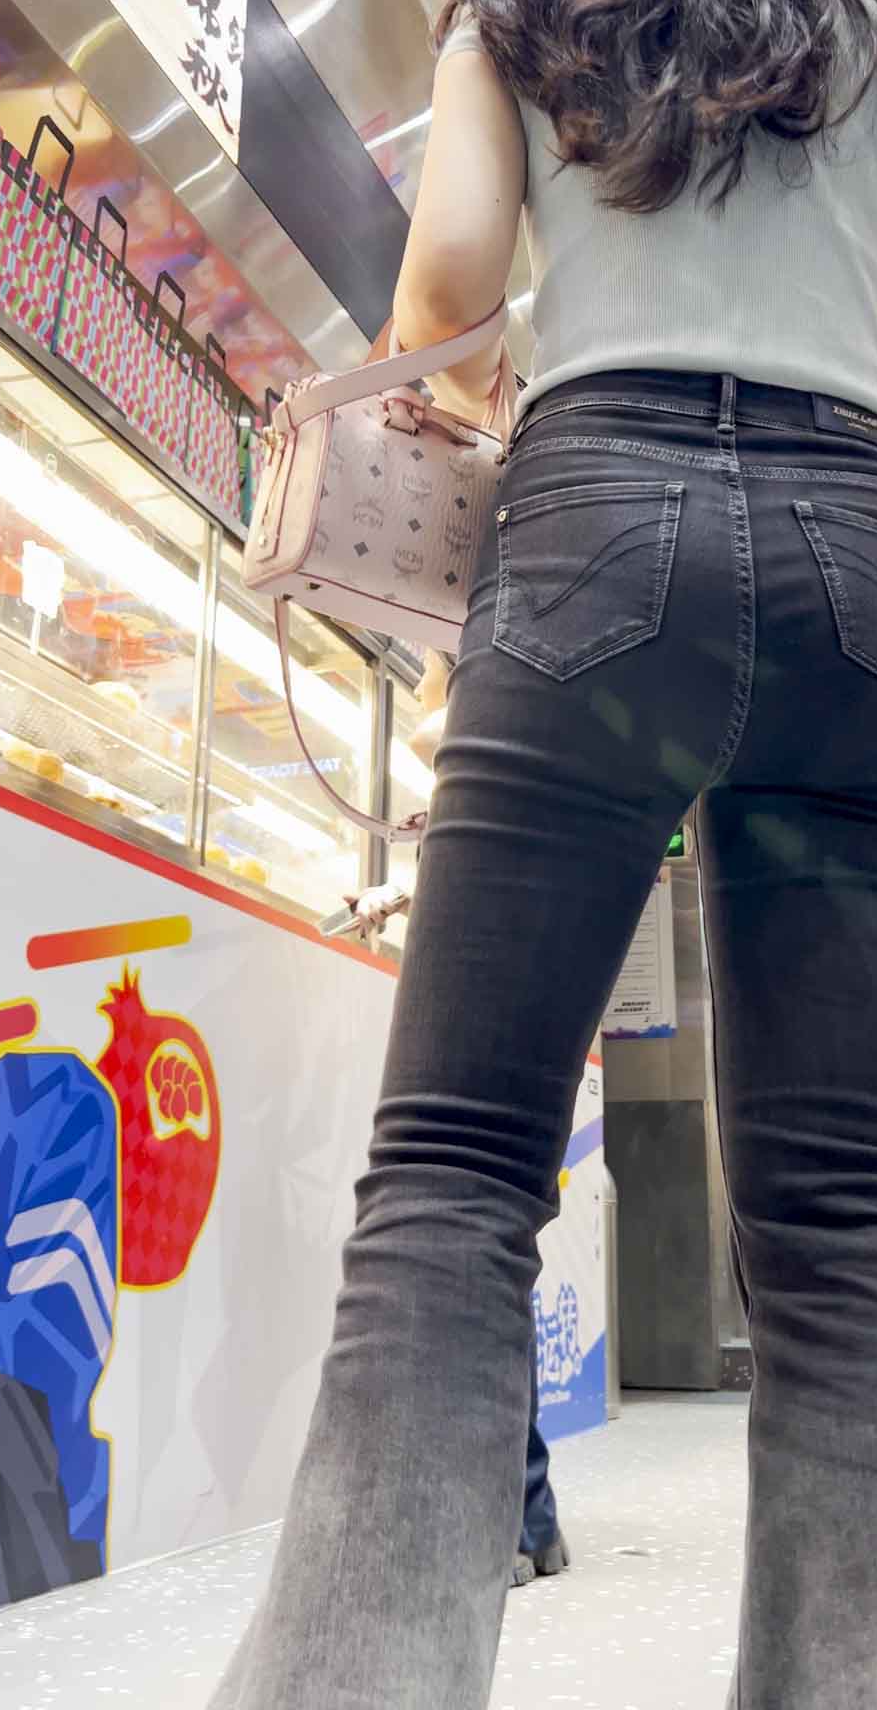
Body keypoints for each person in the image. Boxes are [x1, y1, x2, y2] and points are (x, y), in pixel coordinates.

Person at [211, 0, 877, 1703]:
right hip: (856, 567)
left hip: (592, 536)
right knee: (845, 1215)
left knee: (452, 1176)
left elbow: (446, 292)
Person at [345, 648, 569, 1590]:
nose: (418, 685)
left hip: (493, 1027)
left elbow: (448, 744)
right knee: (492, 1270)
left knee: (470, 1261)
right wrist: (399, 894)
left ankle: (507, 1520)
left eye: (430, 665)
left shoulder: (493, 712)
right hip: (525, 1012)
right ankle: (528, 1515)